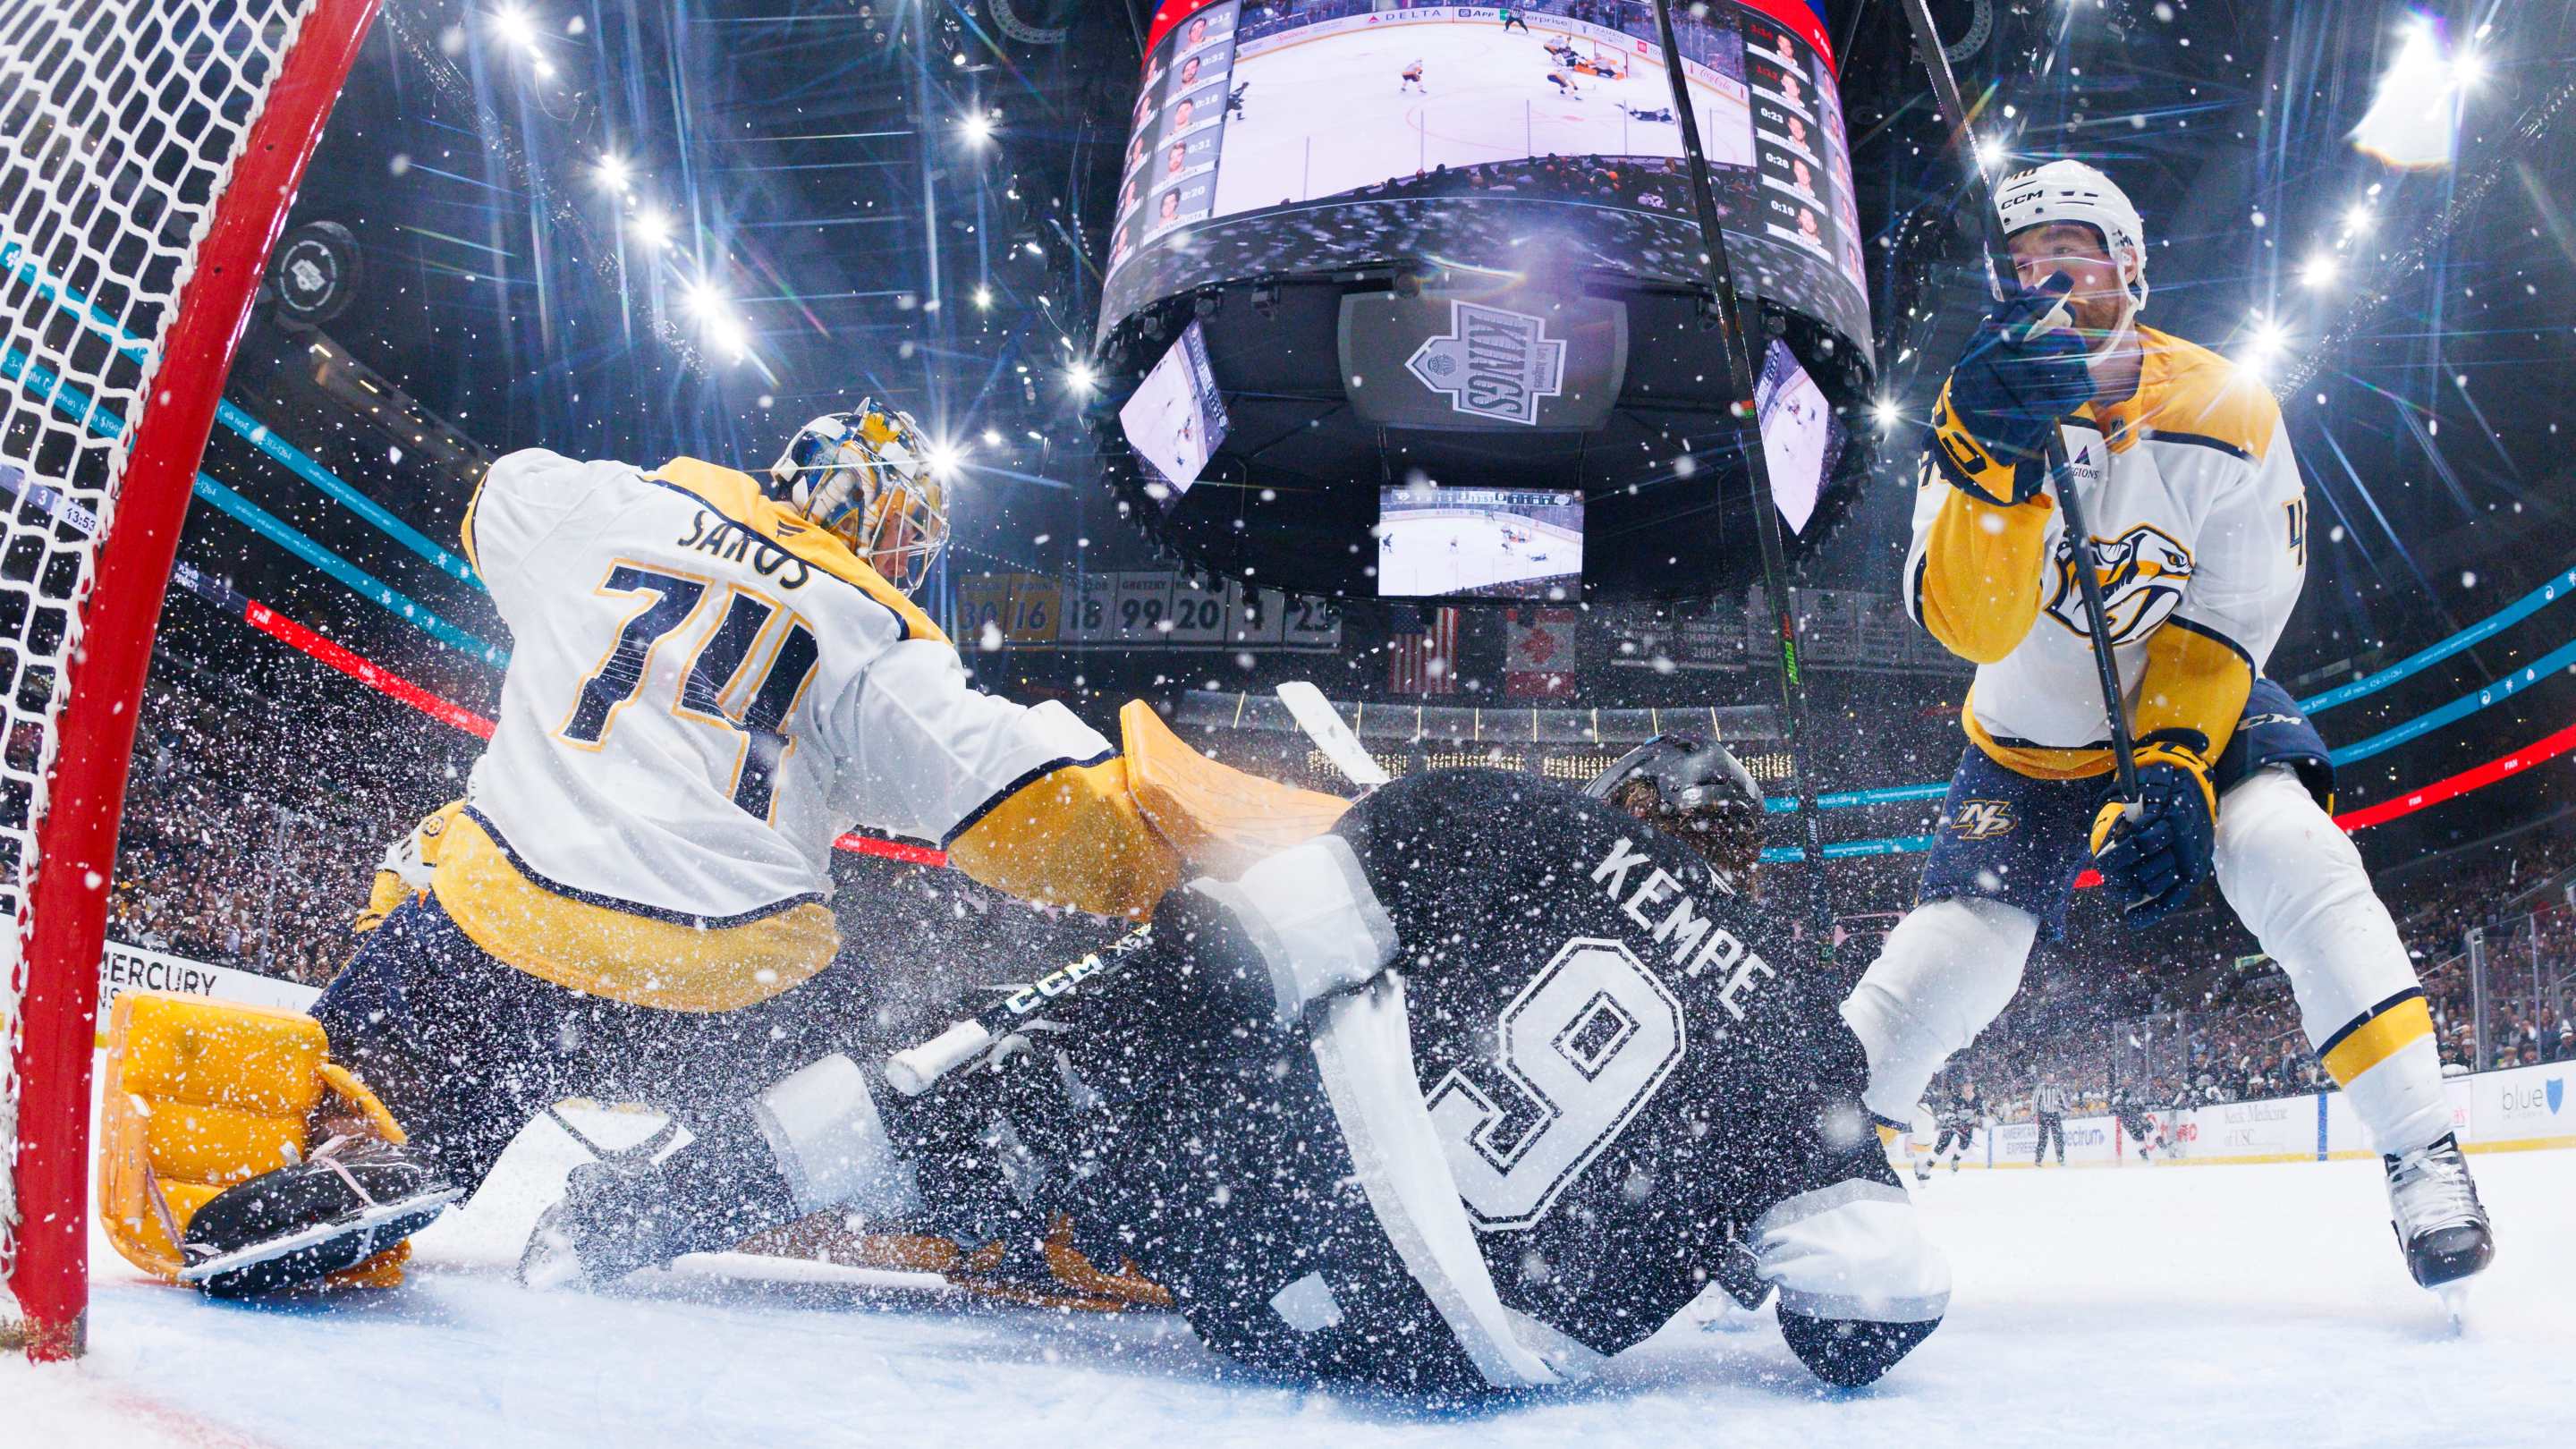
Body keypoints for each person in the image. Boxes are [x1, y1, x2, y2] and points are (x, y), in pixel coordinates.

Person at [117, 406, 1345, 1297]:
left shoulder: (604, 505)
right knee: (899, 1068)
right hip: (722, 990)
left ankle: (379, 1130)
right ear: (901, 541)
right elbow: (1040, 816)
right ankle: (809, 1186)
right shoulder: (876, 639)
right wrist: (1166, 862)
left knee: (440, 854)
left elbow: (497, 500)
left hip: (508, 935)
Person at [521, 739, 1952, 1394]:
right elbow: (1870, 1316)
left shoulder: (1515, 823)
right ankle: (1051, 1172)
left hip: (1288, 1239)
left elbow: (1229, 954)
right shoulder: (1799, 1036)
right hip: (1487, 1365)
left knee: (1027, 1046)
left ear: (1623, 798)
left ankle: (651, 1208)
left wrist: (1141, 1044)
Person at [1836, 159, 2493, 1299]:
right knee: (1950, 960)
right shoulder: (1978, 401)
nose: (2051, 276)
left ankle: (2423, 1152)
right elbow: (1971, 625)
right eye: (2026, 260)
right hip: (2030, 732)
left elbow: (2231, 613)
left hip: (2189, 697)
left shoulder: (2229, 409)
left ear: (2131, 266)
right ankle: (1811, 1169)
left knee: (2293, 853)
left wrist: (2184, 759)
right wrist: (1992, 467)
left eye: (2076, 251)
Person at [2033, 1078, 2069, 1166]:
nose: (2050, 1079)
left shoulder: (2057, 1088)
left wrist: (2067, 1108)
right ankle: (2038, 1160)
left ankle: (2060, 1158)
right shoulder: (2041, 1088)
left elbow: (2062, 1099)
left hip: (2055, 1114)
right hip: (2044, 1114)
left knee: (2059, 1137)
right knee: (2043, 1139)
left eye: (2052, 1077)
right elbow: (2035, 1101)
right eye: (2049, 1076)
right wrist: (2034, 1114)